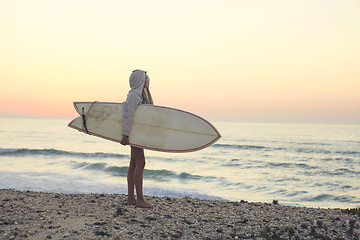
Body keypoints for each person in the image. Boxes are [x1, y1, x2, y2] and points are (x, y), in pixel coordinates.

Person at [120, 69, 153, 208]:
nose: (147, 80)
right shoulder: (134, 96)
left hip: (137, 133)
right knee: (141, 163)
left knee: (134, 163)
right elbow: (128, 115)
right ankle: (139, 199)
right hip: (134, 133)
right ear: (139, 80)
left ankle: (131, 198)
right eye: (145, 78)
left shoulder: (140, 94)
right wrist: (126, 134)